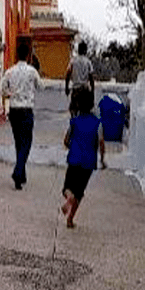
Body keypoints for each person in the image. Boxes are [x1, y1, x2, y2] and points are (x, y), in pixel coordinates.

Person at [0, 37, 42, 190]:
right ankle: (18, 171)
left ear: (17, 55)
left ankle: (20, 177)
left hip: (14, 109)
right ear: (28, 54)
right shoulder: (32, 72)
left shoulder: (10, 71)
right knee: (27, 142)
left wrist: (10, 94)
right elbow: (41, 86)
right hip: (26, 109)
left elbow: (2, 89)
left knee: (18, 142)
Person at [61, 89, 106, 228]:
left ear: (78, 104)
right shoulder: (97, 123)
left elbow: (66, 140)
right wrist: (102, 158)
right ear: (92, 104)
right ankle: (70, 219)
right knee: (79, 193)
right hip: (88, 163)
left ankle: (68, 198)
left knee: (67, 188)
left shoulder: (74, 122)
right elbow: (101, 142)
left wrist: (71, 147)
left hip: (74, 159)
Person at [65, 41, 95, 115]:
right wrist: (92, 92)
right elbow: (91, 78)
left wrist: (66, 88)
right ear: (85, 50)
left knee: (73, 113)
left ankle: (74, 125)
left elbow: (67, 75)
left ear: (78, 50)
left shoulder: (73, 61)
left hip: (75, 91)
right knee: (84, 114)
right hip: (85, 91)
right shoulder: (88, 62)